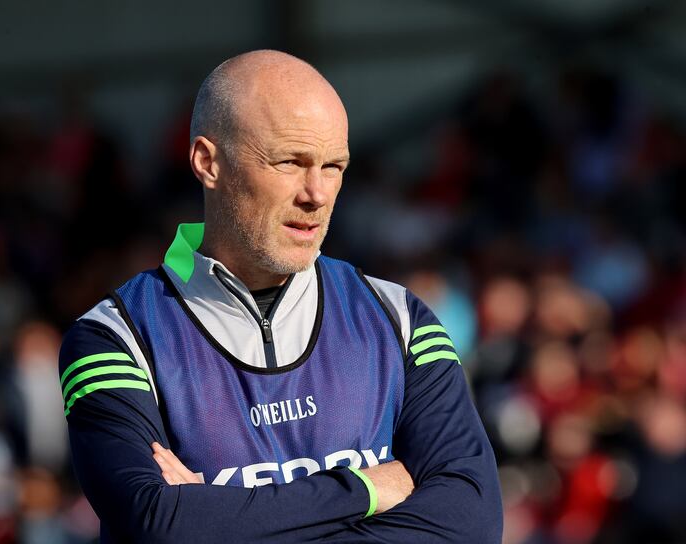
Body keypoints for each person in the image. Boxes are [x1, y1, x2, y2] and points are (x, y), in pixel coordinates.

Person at [59, 50, 503, 543]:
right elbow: (159, 525)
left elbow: (472, 523)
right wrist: (367, 490)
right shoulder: (114, 337)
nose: (316, 193)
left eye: (333, 166)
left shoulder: (400, 318)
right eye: (290, 161)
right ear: (209, 163)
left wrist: (219, 515)